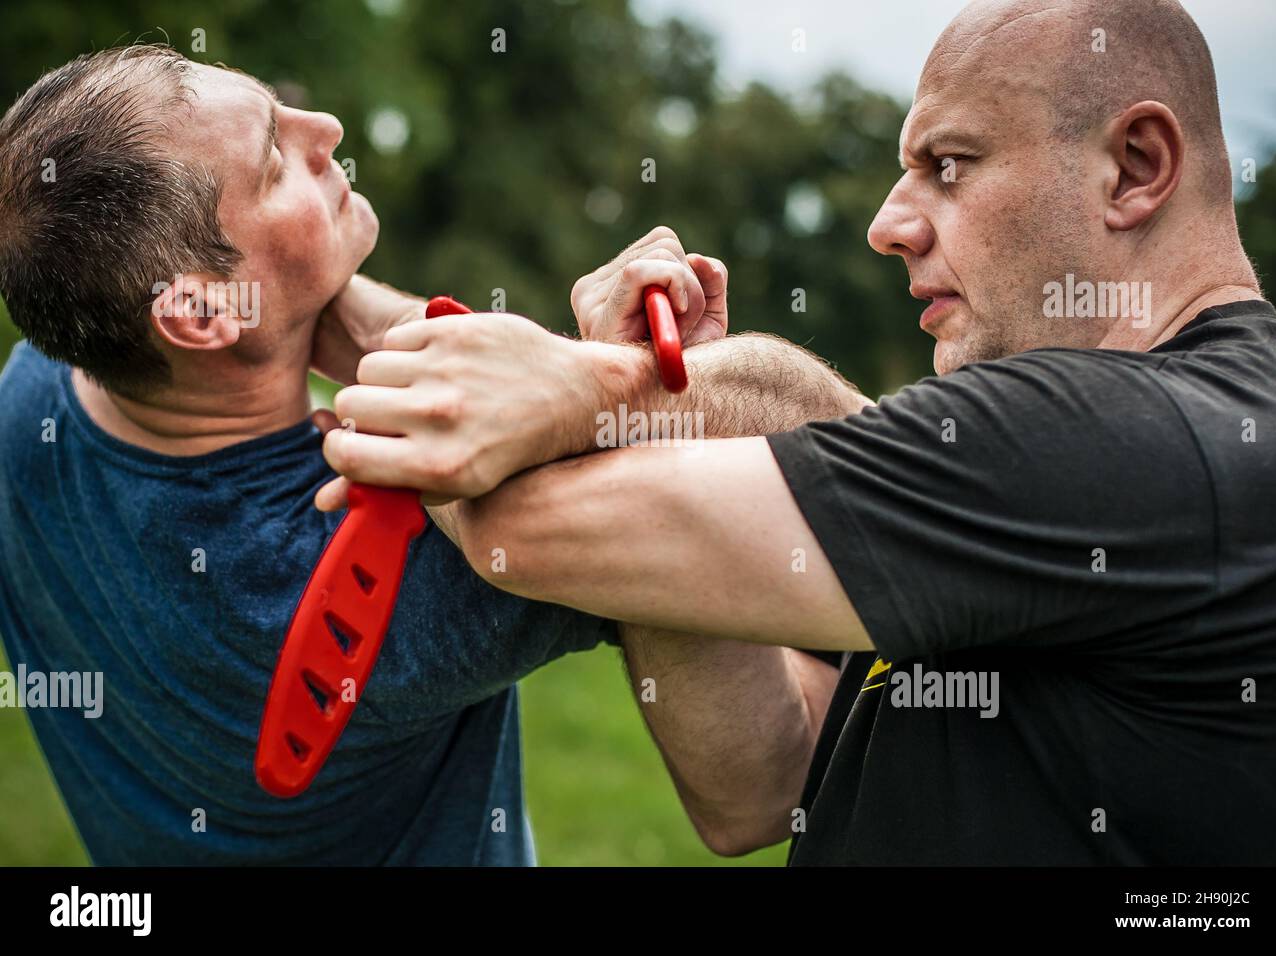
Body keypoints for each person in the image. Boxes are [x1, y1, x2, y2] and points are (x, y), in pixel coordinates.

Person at [316, 0, 1276, 864]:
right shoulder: (1174, 441)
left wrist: (353, 315)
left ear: (1134, 167)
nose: (887, 223)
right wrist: (657, 413)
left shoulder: (1134, 441)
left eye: (947, 164)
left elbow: (519, 533)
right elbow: (762, 786)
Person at [0, 45, 852, 864]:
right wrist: (612, 374)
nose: (323, 127)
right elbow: (766, 793)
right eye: (273, 162)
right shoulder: (387, 590)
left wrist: (354, 324)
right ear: (198, 314)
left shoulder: (38, 385)